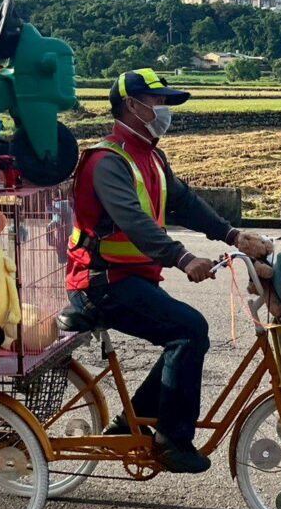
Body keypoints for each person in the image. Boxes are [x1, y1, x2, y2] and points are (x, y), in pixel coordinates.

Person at [65, 68, 265, 473]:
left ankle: (129, 424)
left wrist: (233, 235)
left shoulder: (151, 155)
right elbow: (134, 220)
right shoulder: (107, 160)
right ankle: (172, 441)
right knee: (188, 330)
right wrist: (183, 258)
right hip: (100, 283)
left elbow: (184, 203)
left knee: (188, 332)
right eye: (158, 102)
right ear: (132, 106)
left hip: (129, 279)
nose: (164, 110)